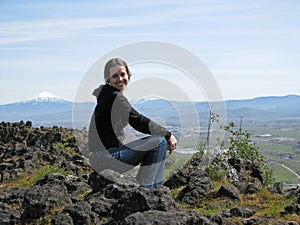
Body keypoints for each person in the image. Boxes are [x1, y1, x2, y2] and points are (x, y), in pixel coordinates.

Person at [88, 58, 177, 188]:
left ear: (128, 75)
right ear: (108, 79)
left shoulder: (107, 95)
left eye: (122, 74)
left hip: (99, 158)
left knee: (156, 141)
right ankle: (150, 190)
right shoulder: (114, 97)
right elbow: (138, 121)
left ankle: (147, 188)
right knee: (159, 141)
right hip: (106, 157)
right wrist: (168, 134)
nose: (120, 79)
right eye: (115, 76)